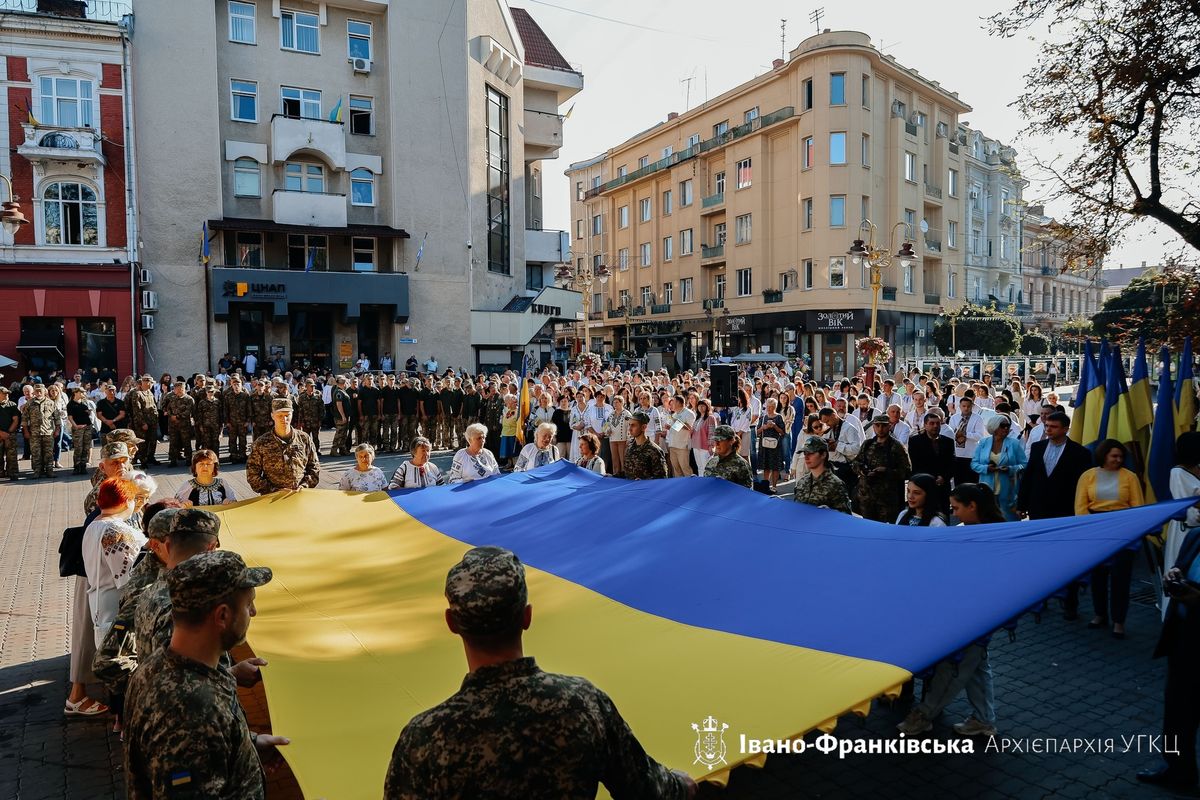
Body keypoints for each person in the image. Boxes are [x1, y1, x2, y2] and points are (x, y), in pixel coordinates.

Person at [383, 546, 695, 799]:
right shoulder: (582, 705)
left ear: (452, 623)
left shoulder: (425, 739)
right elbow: (650, 790)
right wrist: (687, 785)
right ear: (527, 616)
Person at [124, 550, 286, 798]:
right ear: (222, 615)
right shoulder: (191, 710)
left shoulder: (156, 667)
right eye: (248, 604)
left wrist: (247, 745)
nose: (253, 613)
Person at [898, 483, 1004, 738]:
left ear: (972, 506)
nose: (953, 512)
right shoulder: (966, 531)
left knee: (953, 666)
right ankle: (984, 719)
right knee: (976, 666)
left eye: (956, 507)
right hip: (967, 612)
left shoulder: (991, 537)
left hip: (972, 615)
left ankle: (923, 715)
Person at [1136, 524, 1200, 792]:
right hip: (1185, 639)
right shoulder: (1196, 534)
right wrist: (1173, 574)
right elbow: (1181, 567)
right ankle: (1178, 770)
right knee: (1177, 709)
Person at [1015, 410, 1093, 618]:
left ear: (1066, 429)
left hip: (1066, 512)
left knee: (1068, 560)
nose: (1048, 430)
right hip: (1039, 510)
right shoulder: (1038, 447)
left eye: (1053, 427)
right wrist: (1021, 503)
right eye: (1047, 426)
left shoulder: (1080, 453)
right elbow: (1029, 477)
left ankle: (1070, 602)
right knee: (1040, 558)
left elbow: (1083, 486)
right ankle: (1041, 598)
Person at [1075, 439, 1146, 638]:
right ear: (1103, 455)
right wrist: (1091, 531)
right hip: (1096, 532)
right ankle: (1099, 614)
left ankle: (1119, 621)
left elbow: (1137, 507)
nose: (1118, 459)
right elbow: (1080, 507)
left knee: (1121, 579)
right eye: (1114, 455)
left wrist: (1130, 532)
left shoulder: (1129, 477)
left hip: (1123, 533)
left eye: (1121, 456)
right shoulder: (1088, 476)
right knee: (1098, 577)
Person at [83, 477, 149, 647]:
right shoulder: (116, 530)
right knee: (120, 653)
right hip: (116, 602)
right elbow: (127, 577)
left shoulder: (94, 525)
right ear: (127, 501)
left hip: (98, 597)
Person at [245, 398, 321, 495]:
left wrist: (304, 486)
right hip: (272, 498)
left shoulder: (304, 439)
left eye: (287, 415)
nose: (284, 419)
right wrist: (273, 490)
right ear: (272, 416)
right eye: (280, 415)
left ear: (292, 415)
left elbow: (314, 467)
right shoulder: (261, 443)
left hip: (300, 494)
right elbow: (252, 474)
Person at [853, 415, 911, 522]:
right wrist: (863, 471)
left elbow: (907, 471)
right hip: (866, 498)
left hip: (887, 500)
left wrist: (886, 471)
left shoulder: (896, 446)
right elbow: (856, 463)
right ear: (873, 427)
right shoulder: (867, 444)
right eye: (877, 425)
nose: (880, 429)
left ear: (889, 426)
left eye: (884, 426)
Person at [970, 415, 1027, 521]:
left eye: (1008, 426)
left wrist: (1011, 469)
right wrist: (986, 468)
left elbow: (1024, 464)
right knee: (988, 519)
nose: (1006, 428)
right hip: (987, 488)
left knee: (1009, 520)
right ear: (994, 427)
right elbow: (974, 464)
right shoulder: (983, 443)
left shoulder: (1014, 443)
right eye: (1003, 426)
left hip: (1009, 489)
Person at [1165, 431, 1200, 600]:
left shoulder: (1197, 469)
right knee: (1182, 570)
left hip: (1195, 529)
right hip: (1187, 531)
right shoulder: (1178, 473)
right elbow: (1186, 504)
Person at [907, 412, 955, 513]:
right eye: (932, 423)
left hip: (943, 487)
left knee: (943, 516)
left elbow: (952, 463)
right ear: (925, 425)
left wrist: (944, 477)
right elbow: (916, 464)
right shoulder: (915, 441)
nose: (935, 426)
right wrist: (930, 479)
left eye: (938, 423)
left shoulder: (948, 441)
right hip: (924, 487)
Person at [793, 436, 852, 514]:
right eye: (805, 453)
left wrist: (830, 513)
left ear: (823, 455)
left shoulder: (836, 485)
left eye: (811, 453)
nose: (806, 457)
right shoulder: (802, 482)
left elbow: (846, 518)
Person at [21, 383, 59, 478]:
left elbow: (57, 418)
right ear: (33, 392)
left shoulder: (51, 403)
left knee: (49, 452)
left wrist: (57, 430)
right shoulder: (29, 403)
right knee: (35, 453)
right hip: (34, 433)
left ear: (44, 392)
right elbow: (24, 419)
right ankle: (37, 471)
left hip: (48, 432)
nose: (38, 393)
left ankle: (49, 470)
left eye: (40, 391)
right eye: (36, 391)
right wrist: (25, 431)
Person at [948, 394, 985, 487]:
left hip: (971, 455)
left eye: (968, 406)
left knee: (972, 482)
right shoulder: (954, 418)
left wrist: (965, 434)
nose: (966, 408)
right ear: (959, 406)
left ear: (972, 406)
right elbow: (950, 433)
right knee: (958, 481)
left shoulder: (977, 418)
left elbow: (980, 436)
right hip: (957, 454)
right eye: (963, 406)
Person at [622, 411, 667, 480]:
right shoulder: (629, 447)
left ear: (643, 427)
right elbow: (627, 473)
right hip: (631, 489)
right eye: (629, 425)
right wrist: (612, 477)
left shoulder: (654, 451)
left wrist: (644, 482)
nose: (629, 429)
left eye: (633, 425)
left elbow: (661, 479)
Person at [126, 375, 160, 468]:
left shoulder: (149, 392)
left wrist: (156, 419)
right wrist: (143, 423)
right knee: (143, 443)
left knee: (153, 440)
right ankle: (143, 461)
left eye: (151, 383)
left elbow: (154, 407)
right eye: (149, 383)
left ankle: (151, 457)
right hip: (142, 423)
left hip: (152, 421)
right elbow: (137, 410)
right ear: (144, 383)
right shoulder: (137, 394)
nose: (151, 385)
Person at [162, 382, 195, 467]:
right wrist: (171, 415)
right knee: (173, 442)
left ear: (183, 389)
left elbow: (188, 411)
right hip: (173, 425)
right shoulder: (172, 398)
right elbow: (167, 408)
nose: (178, 390)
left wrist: (177, 416)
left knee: (186, 442)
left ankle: (188, 460)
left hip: (184, 425)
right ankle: (173, 460)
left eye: (180, 389)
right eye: (176, 389)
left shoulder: (189, 399)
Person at [757, 398, 786, 491]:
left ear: (775, 407)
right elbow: (757, 432)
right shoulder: (763, 418)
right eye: (768, 407)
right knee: (766, 466)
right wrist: (764, 427)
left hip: (775, 446)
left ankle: (774, 486)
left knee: (775, 467)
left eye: (771, 407)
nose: (769, 409)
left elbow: (782, 432)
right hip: (764, 445)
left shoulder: (779, 417)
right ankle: (765, 485)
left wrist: (774, 426)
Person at [66, 386, 94, 474]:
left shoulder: (85, 402)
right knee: (78, 447)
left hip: (87, 426)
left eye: (83, 392)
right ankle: (77, 466)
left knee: (86, 447)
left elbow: (89, 412)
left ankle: (83, 465)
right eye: (81, 392)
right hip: (78, 427)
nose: (83, 394)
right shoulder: (71, 404)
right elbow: (70, 417)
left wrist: (88, 412)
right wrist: (75, 426)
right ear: (75, 393)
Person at [296, 378, 325, 453]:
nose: (313, 388)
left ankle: (316, 450)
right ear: (306, 386)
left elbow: (321, 409)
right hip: (306, 422)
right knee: (306, 437)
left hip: (315, 421)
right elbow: (300, 411)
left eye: (314, 386)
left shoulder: (317, 396)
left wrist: (320, 420)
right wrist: (300, 422)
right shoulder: (302, 397)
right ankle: (307, 451)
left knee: (316, 437)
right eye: (311, 386)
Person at [608, 395, 632, 477]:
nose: (615, 404)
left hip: (623, 440)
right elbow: (606, 425)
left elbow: (630, 427)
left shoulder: (627, 414)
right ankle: (616, 474)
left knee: (623, 459)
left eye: (617, 402)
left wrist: (629, 439)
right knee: (614, 459)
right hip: (612, 439)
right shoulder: (611, 414)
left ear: (622, 403)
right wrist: (607, 430)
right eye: (614, 402)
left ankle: (625, 475)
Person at [0, 385, 19, 480]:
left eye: (7, 394)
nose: (6, 395)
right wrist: (1, 433)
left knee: (11, 455)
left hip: (10, 434)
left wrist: (8, 433)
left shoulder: (12, 405)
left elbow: (15, 420)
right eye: (4, 394)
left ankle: (13, 473)